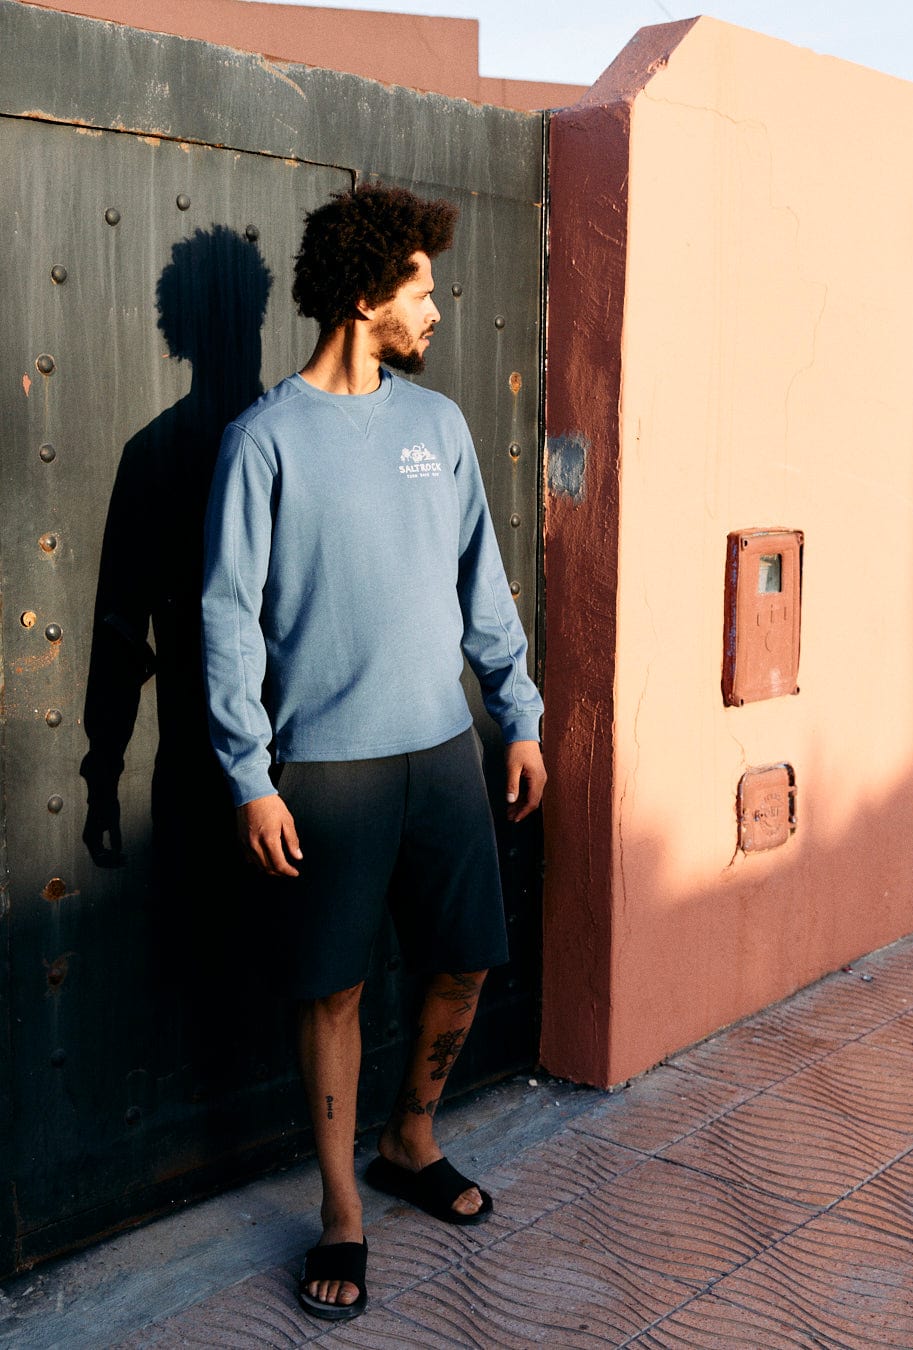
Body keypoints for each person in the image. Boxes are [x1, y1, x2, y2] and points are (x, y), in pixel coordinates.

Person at [201, 183, 546, 1322]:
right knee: (334, 989)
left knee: (466, 961)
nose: (437, 310)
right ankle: (342, 1208)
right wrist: (250, 777)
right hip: (328, 772)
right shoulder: (263, 442)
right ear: (364, 298)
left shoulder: (436, 428)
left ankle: (411, 1136)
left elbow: (481, 586)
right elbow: (226, 615)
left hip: (444, 745)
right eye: (422, 290)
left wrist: (520, 713)